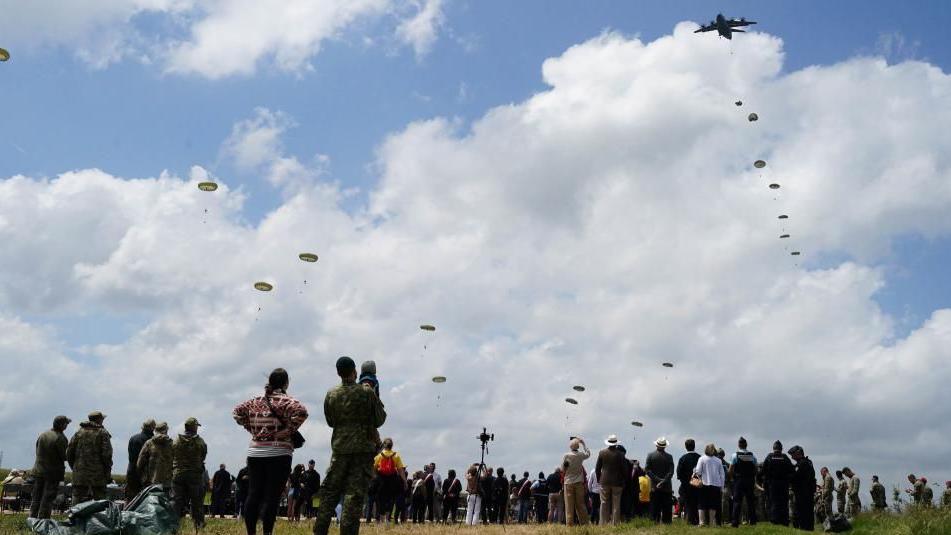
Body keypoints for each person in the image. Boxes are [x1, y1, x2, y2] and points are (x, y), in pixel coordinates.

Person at [313, 356, 387, 535]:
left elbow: (330, 421)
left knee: (330, 493)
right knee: (353, 498)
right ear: (354, 371)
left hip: (339, 450)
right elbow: (380, 419)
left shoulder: (331, 394)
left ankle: (320, 530)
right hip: (362, 452)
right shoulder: (366, 392)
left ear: (338, 373)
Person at [234, 367, 309, 535]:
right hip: (279, 453)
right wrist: (287, 431)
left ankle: (251, 532)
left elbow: (237, 412)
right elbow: (302, 412)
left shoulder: (255, 400)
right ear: (286, 383)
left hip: (255, 453)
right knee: (271, 496)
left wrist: (252, 428)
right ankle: (267, 532)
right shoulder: (286, 401)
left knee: (253, 494)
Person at [66, 411, 113, 504]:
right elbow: (106, 455)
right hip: (98, 474)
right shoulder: (103, 433)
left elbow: (69, 452)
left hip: (80, 472)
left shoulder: (79, 432)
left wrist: (75, 467)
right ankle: (98, 518)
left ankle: (75, 517)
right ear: (99, 420)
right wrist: (107, 470)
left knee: (77, 498)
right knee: (99, 501)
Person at [30, 415, 71, 519]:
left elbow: (37, 451)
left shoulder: (43, 434)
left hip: (37, 471)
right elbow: (65, 456)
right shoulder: (60, 438)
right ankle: (42, 522)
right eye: (66, 424)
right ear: (62, 425)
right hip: (52, 474)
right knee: (47, 500)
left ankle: (31, 519)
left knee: (36, 498)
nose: (67, 426)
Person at [171, 417, 207, 531]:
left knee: (176, 502)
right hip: (194, 476)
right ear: (194, 427)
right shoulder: (200, 441)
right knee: (196, 502)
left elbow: (172, 455)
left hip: (178, 474)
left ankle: (173, 526)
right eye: (197, 426)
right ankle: (198, 526)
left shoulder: (176, 440)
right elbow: (203, 455)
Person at [596, 434, 626, 525]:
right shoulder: (620, 454)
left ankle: (603, 523)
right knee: (616, 504)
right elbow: (625, 469)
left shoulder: (602, 453)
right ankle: (615, 523)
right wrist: (624, 480)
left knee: (604, 503)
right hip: (617, 482)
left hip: (604, 481)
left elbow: (597, 468)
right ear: (616, 443)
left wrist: (599, 479)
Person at [693, 443, 725, 527]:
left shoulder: (702, 459)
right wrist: (722, 486)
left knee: (702, 504)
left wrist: (694, 471)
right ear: (714, 450)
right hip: (716, 485)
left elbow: (698, 472)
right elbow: (722, 475)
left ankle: (702, 523)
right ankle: (711, 523)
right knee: (713, 505)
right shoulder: (718, 460)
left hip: (704, 484)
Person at [763, 440, 794, 525]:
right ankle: (784, 520)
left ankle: (774, 520)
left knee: (773, 501)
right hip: (784, 484)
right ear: (781, 448)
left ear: (773, 448)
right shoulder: (785, 457)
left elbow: (764, 470)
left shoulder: (769, 457)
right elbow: (791, 470)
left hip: (772, 484)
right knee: (784, 502)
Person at [373, 438, 405, 523]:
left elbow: (374, 468)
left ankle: (381, 518)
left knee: (381, 499)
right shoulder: (396, 455)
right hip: (392, 479)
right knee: (391, 499)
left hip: (381, 479)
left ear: (384, 445)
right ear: (392, 445)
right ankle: (387, 519)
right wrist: (404, 481)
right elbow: (400, 470)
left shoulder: (379, 456)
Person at [729, 436, 758, 527]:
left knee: (737, 501)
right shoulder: (752, 455)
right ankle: (752, 521)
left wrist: (732, 478)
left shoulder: (735, 455)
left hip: (739, 480)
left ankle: (735, 522)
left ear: (738, 445)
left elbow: (730, 469)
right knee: (750, 501)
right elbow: (756, 468)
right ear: (746, 445)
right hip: (750, 480)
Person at [562, 437, 591, 526]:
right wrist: (584, 443)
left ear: (570, 446)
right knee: (581, 504)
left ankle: (570, 524)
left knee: (569, 506)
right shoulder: (581, 455)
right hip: (579, 482)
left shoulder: (566, 456)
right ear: (578, 446)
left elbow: (563, 469)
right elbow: (588, 454)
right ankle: (584, 523)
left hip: (568, 482)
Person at [645, 437, 674, 524]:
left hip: (654, 486)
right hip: (667, 487)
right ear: (665, 446)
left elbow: (647, 470)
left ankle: (654, 523)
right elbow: (671, 472)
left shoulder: (650, 455)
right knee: (667, 509)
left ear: (656, 445)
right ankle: (667, 524)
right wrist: (663, 481)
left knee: (654, 508)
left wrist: (657, 480)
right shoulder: (669, 457)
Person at [137, 421, 173, 489]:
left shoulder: (149, 443)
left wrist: (142, 477)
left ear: (155, 430)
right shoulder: (171, 443)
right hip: (167, 481)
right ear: (166, 430)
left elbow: (140, 463)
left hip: (151, 481)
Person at [125, 419, 156, 500]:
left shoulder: (133, 438)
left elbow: (130, 455)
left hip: (131, 470)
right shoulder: (152, 441)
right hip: (145, 474)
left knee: (130, 498)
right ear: (153, 428)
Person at [788, 445, 815, 531]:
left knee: (801, 513)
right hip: (808, 492)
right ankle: (809, 529)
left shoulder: (801, 464)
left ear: (798, 453)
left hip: (802, 493)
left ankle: (804, 529)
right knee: (808, 513)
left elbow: (794, 477)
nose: (792, 457)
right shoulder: (808, 462)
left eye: (793, 454)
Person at [675, 438, 701, 525]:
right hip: (697, 484)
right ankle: (697, 520)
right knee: (697, 503)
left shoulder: (683, 458)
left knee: (687, 504)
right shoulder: (700, 458)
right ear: (694, 446)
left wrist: (685, 480)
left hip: (686, 485)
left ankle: (689, 521)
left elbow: (678, 473)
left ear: (685, 447)